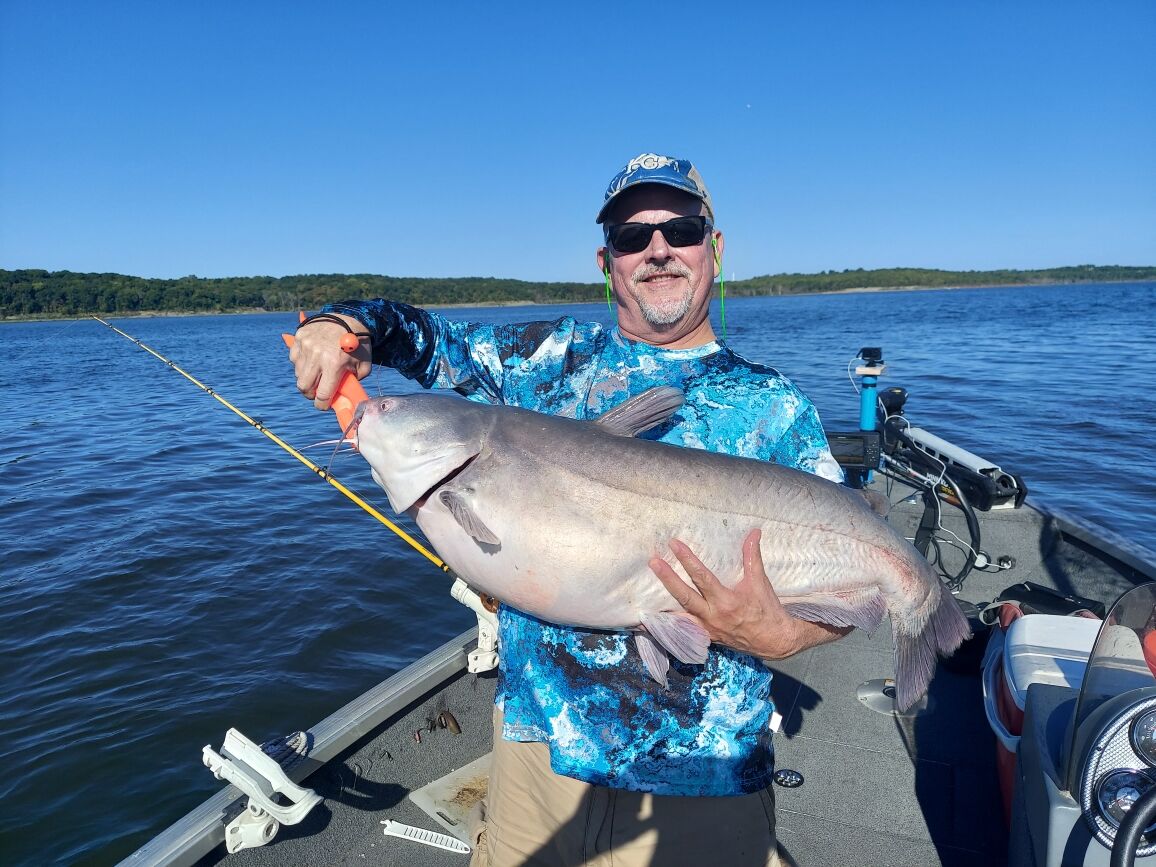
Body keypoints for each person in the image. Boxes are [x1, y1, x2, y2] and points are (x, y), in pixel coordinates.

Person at [290, 153, 850, 866]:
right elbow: (417, 337)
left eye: (680, 228)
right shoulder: (545, 360)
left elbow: (853, 576)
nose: (656, 250)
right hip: (540, 760)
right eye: (630, 236)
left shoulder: (776, 408)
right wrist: (344, 324)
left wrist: (784, 635)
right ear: (605, 259)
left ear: (714, 247)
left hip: (705, 776)